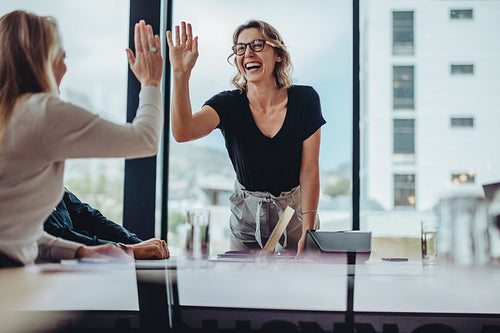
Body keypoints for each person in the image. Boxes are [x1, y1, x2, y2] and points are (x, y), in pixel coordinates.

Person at [0, 10, 163, 268]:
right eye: (61, 56)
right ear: (40, 59)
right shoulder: (41, 111)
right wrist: (151, 82)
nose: (65, 67)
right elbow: (145, 140)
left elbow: (12, 234)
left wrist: (78, 251)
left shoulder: (9, 114)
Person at [166, 20, 325, 256]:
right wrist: (180, 74)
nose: (247, 53)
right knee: (244, 287)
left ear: (278, 54)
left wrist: (308, 231)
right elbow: (183, 132)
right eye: (240, 48)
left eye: (257, 45)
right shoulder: (227, 104)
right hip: (247, 217)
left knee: (298, 286)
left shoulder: (305, 99)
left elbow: (310, 171)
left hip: (296, 214)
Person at [44, 189, 169, 260]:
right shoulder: (28, 182)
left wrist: (137, 243)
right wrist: (128, 250)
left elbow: (90, 218)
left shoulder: (51, 180)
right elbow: (53, 236)